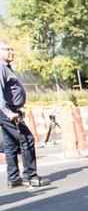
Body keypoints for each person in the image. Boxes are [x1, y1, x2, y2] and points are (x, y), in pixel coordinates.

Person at [0, 40, 49, 189]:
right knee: (27, 140)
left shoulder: (6, 67)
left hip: (10, 110)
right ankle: (31, 177)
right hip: (8, 111)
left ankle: (14, 178)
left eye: (12, 49)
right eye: (8, 49)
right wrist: (9, 112)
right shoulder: (0, 67)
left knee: (10, 145)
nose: (12, 52)